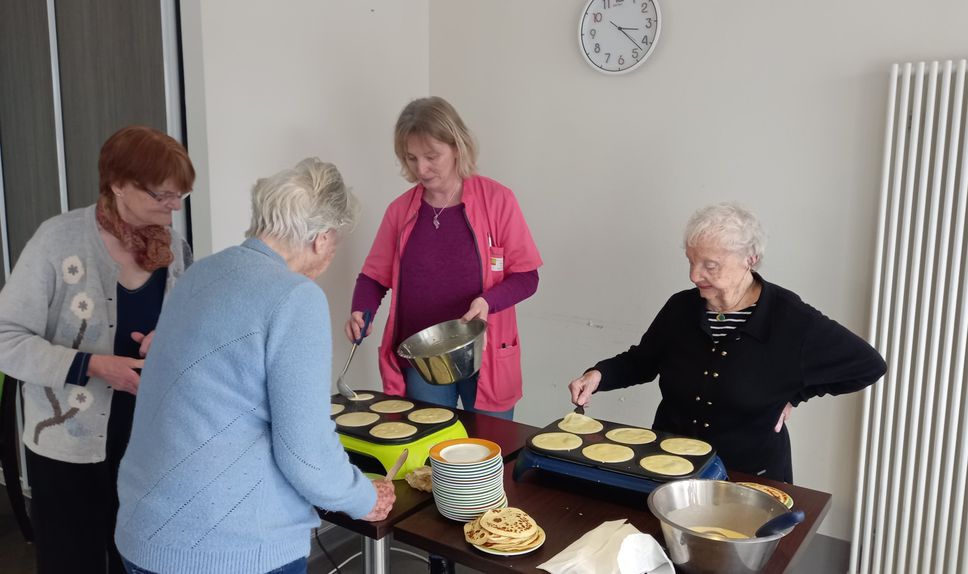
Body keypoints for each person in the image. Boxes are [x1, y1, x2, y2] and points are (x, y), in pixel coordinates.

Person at [115, 158, 395, 574]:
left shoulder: (203, 272)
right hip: (225, 549)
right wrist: (363, 497)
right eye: (336, 241)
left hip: (145, 531)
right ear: (321, 239)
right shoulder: (295, 297)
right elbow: (308, 457)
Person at [568, 202, 886, 483]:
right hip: (670, 468)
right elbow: (643, 361)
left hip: (747, 478)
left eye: (710, 265)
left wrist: (797, 395)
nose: (694, 275)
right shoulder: (681, 307)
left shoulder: (791, 320)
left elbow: (868, 365)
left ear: (750, 259)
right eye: (691, 261)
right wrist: (598, 375)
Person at [0, 126, 194, 574]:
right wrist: (93, 365)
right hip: (69, 446)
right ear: (119, 184)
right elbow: (7, 339)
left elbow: (185, 323)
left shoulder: (174, 250)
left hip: (147, 442)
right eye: (162, 196)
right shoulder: (57, 241)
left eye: (179, 196)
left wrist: (168, 336)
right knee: (73, 562)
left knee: (141, 559)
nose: (173, 210)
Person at [347, 96, 542, 419]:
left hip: (485, 356)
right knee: (428, 455)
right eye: (411, 158)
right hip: (422, 359)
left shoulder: (498, 201)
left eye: (431, 156)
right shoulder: (400, 211)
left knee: (489, 454)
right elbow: (372, 278)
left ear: (457, 147)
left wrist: (487, 303)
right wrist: (360, 310)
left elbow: (527, 276)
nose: (420, 169)